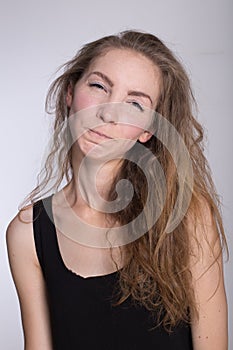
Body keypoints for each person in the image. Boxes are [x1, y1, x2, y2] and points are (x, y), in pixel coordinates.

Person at [6, 30, 228, 350]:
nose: (108, 113)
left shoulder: (188, 215)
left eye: (135, 104)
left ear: (149, 129)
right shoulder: (27, 233)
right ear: (70, 93)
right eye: (99, 86)